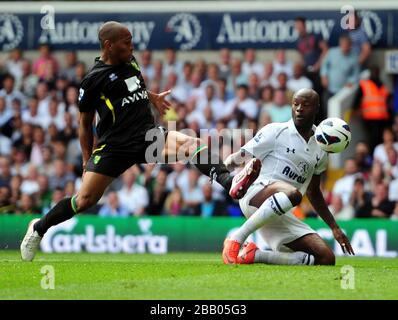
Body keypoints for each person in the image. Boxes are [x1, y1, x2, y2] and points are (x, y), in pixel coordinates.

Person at [20, 21, 260, 261]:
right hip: (114, 146)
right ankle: (39, 227)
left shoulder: (131, 62)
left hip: (147, 136)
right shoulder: (93, 80)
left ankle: (229, 182)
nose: (131, 45)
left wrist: (152, 97)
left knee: (190, 143)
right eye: (126, 41)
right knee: (84, 200)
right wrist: (86, 158)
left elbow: (134, 88)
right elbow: (84, 123)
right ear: (108, 45)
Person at [222, 88, 354, 265]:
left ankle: (254, 255)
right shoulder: (276, 131)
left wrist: (334, 227)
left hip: (278, 210)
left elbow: (314, 192)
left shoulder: (321, 148)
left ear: (316, 108)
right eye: (295, 104)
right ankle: (236, 238)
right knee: (292, 193)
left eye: (305, 105)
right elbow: (239, 156)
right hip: (256, 194)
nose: (299, 108)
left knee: (326, 258)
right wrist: (221, 171)